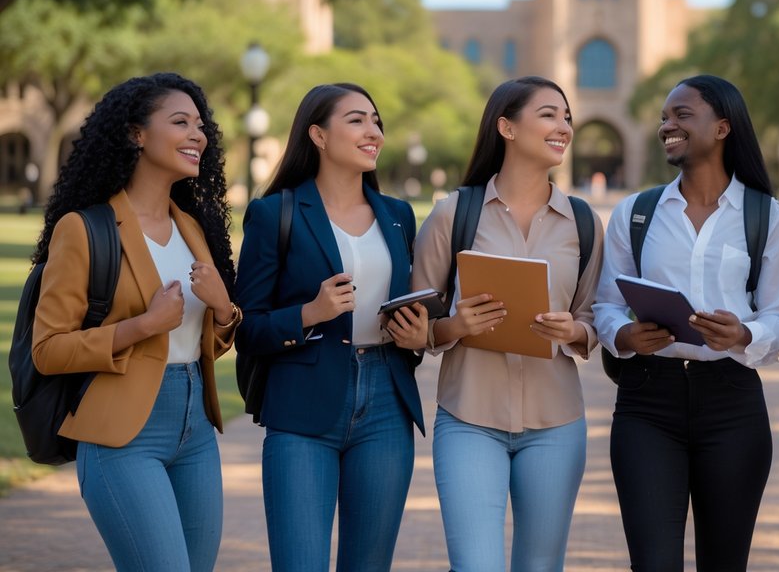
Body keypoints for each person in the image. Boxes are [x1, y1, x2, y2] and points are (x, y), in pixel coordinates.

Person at [32, 73, 240, 571]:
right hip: (121, 436)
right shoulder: (83, 228)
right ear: (136, 134)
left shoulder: (193, 228)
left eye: (200, 124)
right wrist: (143, 326)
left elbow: (205, 341)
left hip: (195, 431)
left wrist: (225, 310)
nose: (198, 135)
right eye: (180, 122)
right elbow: (49, 349)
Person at [592, 74, 779, 572]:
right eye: (664, 118)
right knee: (653, 563)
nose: (668, 126)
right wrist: (623, 334)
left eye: (682, 115)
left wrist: (745, 335)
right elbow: (606, 304)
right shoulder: (636, 214)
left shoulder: (764, 216)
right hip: (646, 402)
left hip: (732, 402)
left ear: (723, 127)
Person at [410, 75, 604, 572]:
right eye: (548, 114)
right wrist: (456, 325)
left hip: (556, 425)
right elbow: (418, 324)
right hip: (470, 419)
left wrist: (574, 332)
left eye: (567, 117)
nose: (563, 125)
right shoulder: (453, 215)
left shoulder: (583, 224)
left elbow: (592, 317)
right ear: (506, 127)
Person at [234, 83, 426, 572]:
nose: (374, 132)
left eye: (377, 121)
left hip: (386, 403)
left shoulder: (399, 216)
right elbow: (246, 329)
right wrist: (308, 313)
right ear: (317, 135)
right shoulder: (273, 213)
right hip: (301, 405)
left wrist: (415, 335)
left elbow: (412, 314)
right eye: (357, 120)